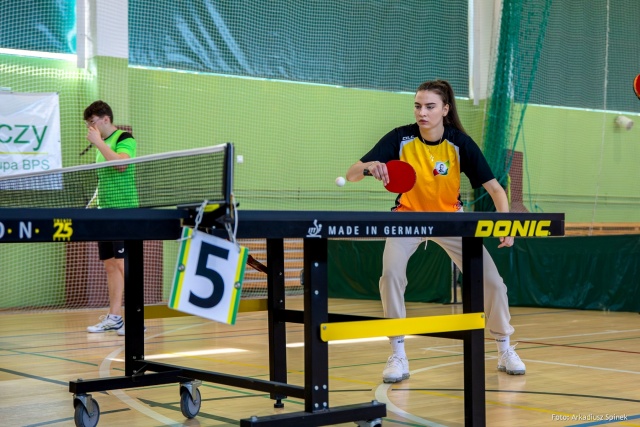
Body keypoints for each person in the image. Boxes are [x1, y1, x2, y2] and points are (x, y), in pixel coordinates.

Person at [345, 80, 525, 383]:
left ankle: (505, 348)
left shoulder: (459, 143)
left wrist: (506, 224)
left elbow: (496, 189)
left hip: (450, 221)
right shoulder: (400, 138)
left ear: (445, 109)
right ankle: (398, 353)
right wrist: (370, 166)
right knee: (390, 276)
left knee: (493, 283)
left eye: (430, 106)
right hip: (406, 219)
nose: (422, 112)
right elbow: (351, 174)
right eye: (418, 106)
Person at [83, 100, 138, 336]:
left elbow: (121, 165)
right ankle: (115, 318)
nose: (90, 127)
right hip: (105, 211)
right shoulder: (102, 146)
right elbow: (104, 181)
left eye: (92, 122)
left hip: (124, 211)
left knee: (124, 264)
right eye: (88, 124)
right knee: (110, 265)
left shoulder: (125, 138)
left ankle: (137, 318)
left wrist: (98, 142)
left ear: (106, 119)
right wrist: (92, 204)